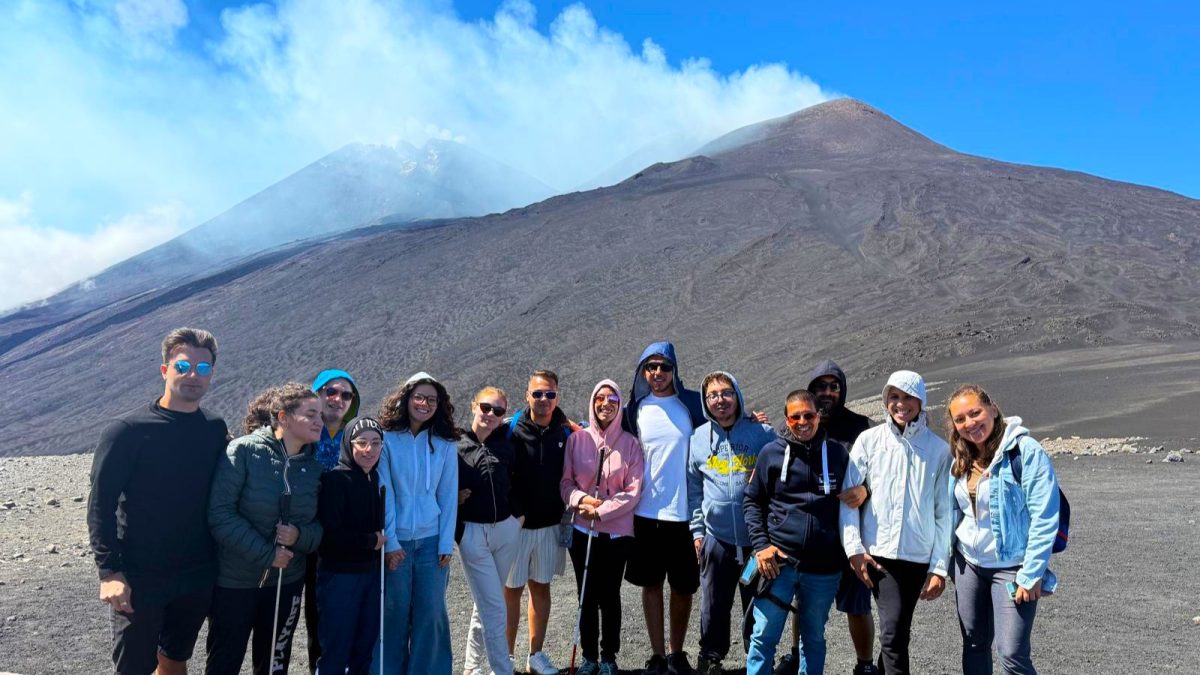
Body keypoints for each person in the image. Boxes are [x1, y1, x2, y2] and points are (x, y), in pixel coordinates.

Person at [88, 327, 228, 675]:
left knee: (176, 658)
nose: (193, 375)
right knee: (134, 666)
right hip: (140, 574)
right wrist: (110, 572)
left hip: (197, 572)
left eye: (203, 368)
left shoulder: (214, 428)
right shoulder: (128, 431)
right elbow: (100, 505)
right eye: (183, 366)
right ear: (165, 370)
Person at [206, 383, 326, 675]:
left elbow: (320, 528)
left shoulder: (313, 469)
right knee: (224, 662)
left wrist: (300, 536)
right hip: (235, 582)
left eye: (320, 415)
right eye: (311, 414)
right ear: (283, 417)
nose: (320, 421)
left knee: (274, 665)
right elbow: (220, 515)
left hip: (287, 583)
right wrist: (267, 554)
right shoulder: (244, 451)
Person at [840, 370, 953, 675]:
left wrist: (939, 567)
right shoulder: (869, 441)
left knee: (897, 630)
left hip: (917, 557)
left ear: (921, 400)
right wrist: (854, 549)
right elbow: (850, 502)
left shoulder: (939, 451)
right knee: (893, 634)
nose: (900, 404)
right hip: (877, 555)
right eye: (894, 396)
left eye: (908, 397)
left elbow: (945, 513)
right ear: (885, 399)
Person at [946, 385, 1061, 675]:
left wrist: (1032, 573)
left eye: (975, 413)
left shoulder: (1024, 451)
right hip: (968, 565)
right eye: (960, 419)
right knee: (974, 644)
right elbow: (953, 513)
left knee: (1012, 654)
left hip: (1011, 566)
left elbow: (1044, 515)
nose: (970, 423)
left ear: (993, 410)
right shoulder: (961, 456)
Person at [777, 360, 877, 675]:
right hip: (812, 535)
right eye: (821, 386)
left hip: (851, 535)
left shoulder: (860, 426)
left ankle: (865, 664)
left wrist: (866, 490)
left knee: (857, 604)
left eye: (834, 387)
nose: (828, 392)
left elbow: (879, 471)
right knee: (803, 604)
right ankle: (795, 656)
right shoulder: (796, 426)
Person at [744, 390, 851, 675]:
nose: (803, 422)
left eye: (809, 415)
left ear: (819, 416)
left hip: (824, 568)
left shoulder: (838, 454)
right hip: (777, 564)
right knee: (763, 635)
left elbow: (858, 493)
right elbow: (752, 500)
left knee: (813, 638)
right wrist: (761, 545)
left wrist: (866, 489)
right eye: (795, 416)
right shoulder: (771, 453)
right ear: (786, 418)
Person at [622, 341, 708, 675]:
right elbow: (609, 432)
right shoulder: (636, 409)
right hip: (646, 512)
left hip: (685, 513)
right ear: (643, 372)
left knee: (684, 587)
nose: (658, 373)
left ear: (674, 369)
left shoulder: (690, 405)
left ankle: (676, 652)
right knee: (652, 584)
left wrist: (751, 421)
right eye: (651, 367)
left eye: (664, 367)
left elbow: (720, 423)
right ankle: (657, 654)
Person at [686, 371, 775, 675]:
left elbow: (779, 475)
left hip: (757, 541)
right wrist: (698, 533)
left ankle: (758, 657)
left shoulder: (761, 433)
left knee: (759, 601)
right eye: (713, 395)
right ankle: (710, 657)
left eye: (726, 393)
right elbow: (694, 489)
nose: (720, 400)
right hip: (717, 538)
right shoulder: (698, 439)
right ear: (705, 400)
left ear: (737, 394)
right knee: (713, 604)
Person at [373, 372, 459, 675]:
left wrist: (445, 542)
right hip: (398, 544)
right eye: (419, 397)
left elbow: (448, 495)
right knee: (392, 612)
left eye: (431, 399)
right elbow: (386, 492)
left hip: (432, 542)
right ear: (406, 398)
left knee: (431, 613)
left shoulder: (446, 443)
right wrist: (392, 541)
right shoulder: (386, 439)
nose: (424, 403)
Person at [559, 379, 645, 675]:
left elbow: (633, 490)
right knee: (587, 594)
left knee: (610, 594)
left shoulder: (630, 444)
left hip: (617, 532)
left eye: (612, 399)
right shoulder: (577, 440)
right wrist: (581, 501)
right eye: (600, 398)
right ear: (592, 402)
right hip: (584, 530)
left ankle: (609, 656)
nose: (606, 404)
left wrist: (602, 511)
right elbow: (566, 483)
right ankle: (588, 657)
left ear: (620, 405)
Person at [505, 370, 578, 675]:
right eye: (538, 394)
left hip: (550, 525)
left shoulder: (566, 432)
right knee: (511, 591)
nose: (544, 400)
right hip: (516, 527)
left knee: (541, 588)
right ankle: (504, 658)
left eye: (549, 394)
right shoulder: (511, 429)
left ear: (557, 396)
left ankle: (535, 655)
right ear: (528, 395)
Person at [458, 387, 523, 675]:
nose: (490, 415)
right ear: (474, 406)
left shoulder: (506, 445)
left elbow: (521, 479)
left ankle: (471, 668)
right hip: (473, 535)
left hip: (505, 531)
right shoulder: (455, 445)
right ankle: (502, 669)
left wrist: (517, 519)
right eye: (486, 408)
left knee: (485, 602)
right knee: (495, 607)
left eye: (498, 411)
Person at [315, 416, 387, 675]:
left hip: (369, 575)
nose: (369, 450)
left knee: (364, 648)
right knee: (336, 648)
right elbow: (330, 536)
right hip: (340, 577)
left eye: (376, 443)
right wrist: (371, 541)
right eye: (362, 442)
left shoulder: (374, 478)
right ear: (349, 444)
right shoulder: (335, 480)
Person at [306, 368, 362, 673]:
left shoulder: (355, 437)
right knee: (314, 615)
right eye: (330, 391)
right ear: (316, 393)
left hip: (342, 538)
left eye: (345, 394)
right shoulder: (299, 433)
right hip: (305, 539)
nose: (337, 399)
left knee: (340, 611)